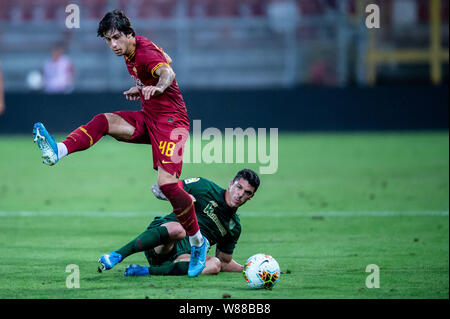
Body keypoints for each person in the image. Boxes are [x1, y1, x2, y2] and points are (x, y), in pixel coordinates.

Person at [32, 10, 208, 277]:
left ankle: (198, 243)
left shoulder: (145, 53)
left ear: (129, 34)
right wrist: (144, 87)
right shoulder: (130, 52)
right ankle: (59, 150)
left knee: (168, 185)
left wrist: (158, 86)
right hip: (151, 118)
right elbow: (167, 58)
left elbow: (167, 71)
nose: (113, 44)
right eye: (107, 40)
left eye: (116, 37)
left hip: (172, 125)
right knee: (104, 121)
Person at [98, 169, 260, 277]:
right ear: (231, 184)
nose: (240, 195)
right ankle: (117, 255)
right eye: (238, 187)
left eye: (246, 192)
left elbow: (224, 261)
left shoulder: (234, 226)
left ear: (251, 197)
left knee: (215, 265)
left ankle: (144, 271)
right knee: (179, 230)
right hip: (163, 241)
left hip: (183, 258)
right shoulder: (203, 186)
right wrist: (175, 197)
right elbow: (164, 188)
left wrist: (251, 268)